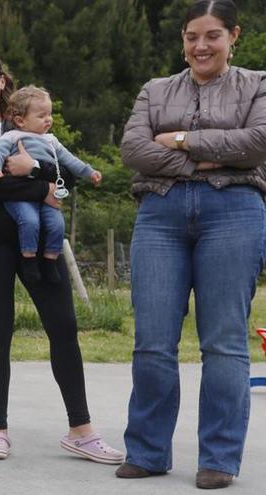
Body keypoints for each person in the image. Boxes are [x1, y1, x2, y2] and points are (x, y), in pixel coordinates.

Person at [116, 0, 266, 489]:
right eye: (192, 36)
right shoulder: (154, 89)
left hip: (235, 211)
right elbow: (133, 151)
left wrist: (178, 140)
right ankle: (149, 451)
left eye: (212, 35)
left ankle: (219, 459)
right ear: (182, 40)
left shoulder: (258, 84)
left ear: (233, 36)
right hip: (160, 213)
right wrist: (204, 160)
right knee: (153, 342)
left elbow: (257, 144)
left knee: (224, 341)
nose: (201, 46)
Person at [0, 50, 123, 464]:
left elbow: (64, 176)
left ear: (2, 81)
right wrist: (37, 184)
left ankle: (81, 430)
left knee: (64, 326)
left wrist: (38, 175)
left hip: (42, 242)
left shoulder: (31, 124)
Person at [0, 85, 102, 283]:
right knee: (30, 221)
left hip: (47, 197)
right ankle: (28, 260)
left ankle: (50, 260)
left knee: (57, 224)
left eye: (49, 114)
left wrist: (89, 172)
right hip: (20, 195)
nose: (48, 119)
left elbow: (70, 160)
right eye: (41, 116)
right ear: (20, 120)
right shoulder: (12, 137)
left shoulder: (51, 141)